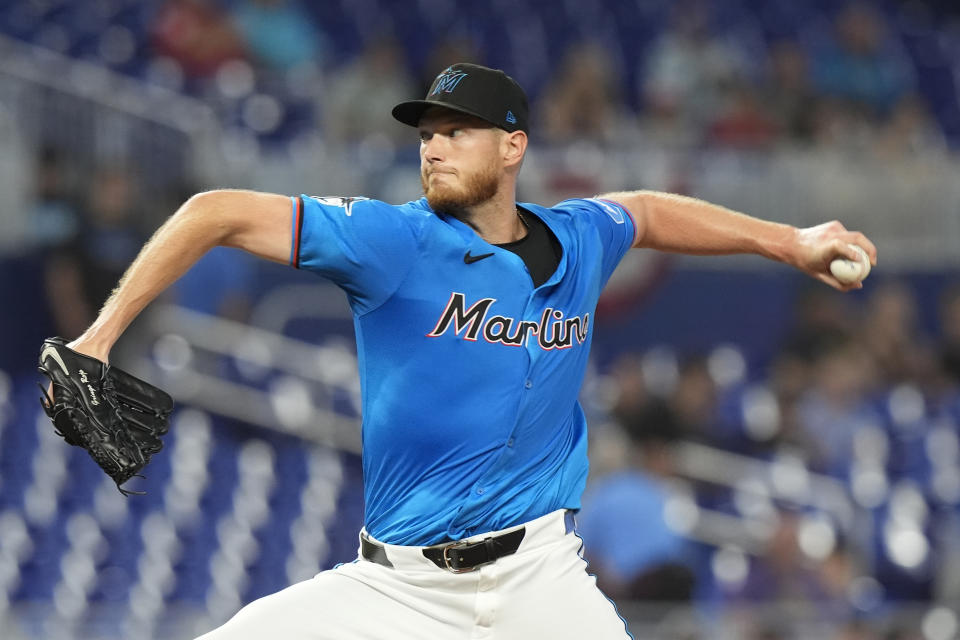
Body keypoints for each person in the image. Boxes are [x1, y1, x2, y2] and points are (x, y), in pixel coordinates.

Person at [58, 63, 877, 639]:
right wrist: (100, 335)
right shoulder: (390, 241)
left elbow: (650, 213)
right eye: (427, 133)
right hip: (396, 590)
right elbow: (214, 211)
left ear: (513, 148)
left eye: (457, 131)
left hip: (540, 579)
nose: (433, 147)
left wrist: (789, 242)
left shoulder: (580, 238)